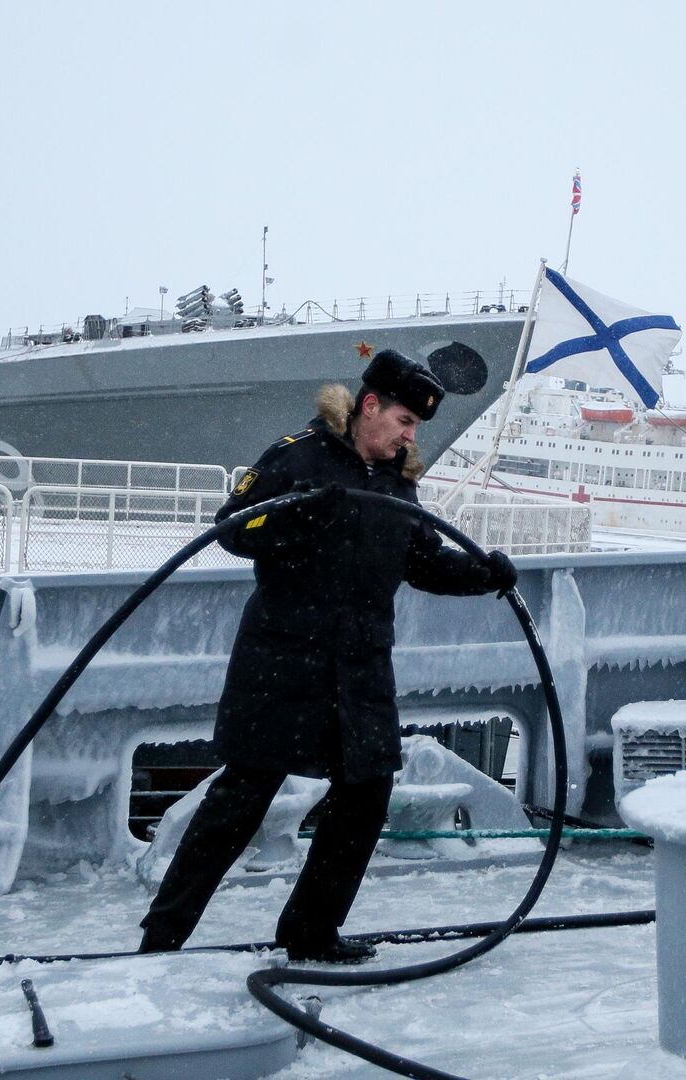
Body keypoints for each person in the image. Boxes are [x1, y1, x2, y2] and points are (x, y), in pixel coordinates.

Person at [138, 349, 517, 964]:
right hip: (282, 666)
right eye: (403, 422)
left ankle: (310, 933)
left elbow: (420, 562)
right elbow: (234, 528)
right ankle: (162, 937)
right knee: (239, 802)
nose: (408, 436)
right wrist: (303, 516)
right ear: (369, 408)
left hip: (360, 671)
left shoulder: (398, 486)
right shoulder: (298, 456)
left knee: (364, 798)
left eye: (414, 429)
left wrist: (483, 574)